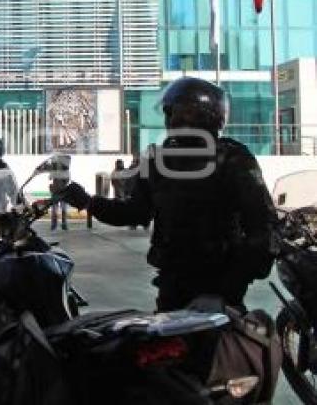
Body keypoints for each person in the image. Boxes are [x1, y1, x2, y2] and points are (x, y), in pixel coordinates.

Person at [55, 77, 274, 311]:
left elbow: (264, 231)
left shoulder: (233, 160)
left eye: (173, 110)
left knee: (224, 346)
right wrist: (87, 201)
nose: (169, 118)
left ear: (194, 114)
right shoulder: (159, 160)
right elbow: (134, 212)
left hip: (221, 288)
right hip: (172, 283)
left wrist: (229, 287)